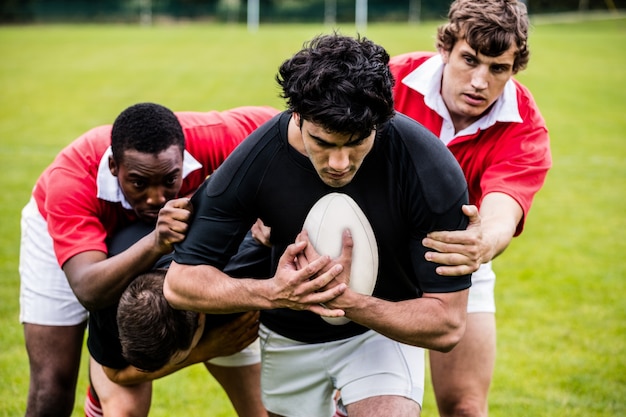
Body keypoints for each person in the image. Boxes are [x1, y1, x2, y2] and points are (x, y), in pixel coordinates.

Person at [163, 33, 474, 417]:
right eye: (323, 142)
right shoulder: (256, 162)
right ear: (297, 115)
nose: (340, 163)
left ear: (382, 120)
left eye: (356, 142)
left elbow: (448, 323)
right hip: (289, 337)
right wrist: (276, 293)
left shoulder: (429, 169)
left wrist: (351, 303)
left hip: (381, 331)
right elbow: (180, 283)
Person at [18, 101, 278, 416]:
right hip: (71, 246)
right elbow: (88, 289)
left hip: (163, 249)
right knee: (52, 386)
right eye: (139, 183)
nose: (156, 197)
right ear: (114, 167)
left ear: (184, 158)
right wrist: (156, 241)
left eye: (170, 180)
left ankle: (101, 393)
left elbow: (289, 128)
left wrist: (270, 209)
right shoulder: (71, 181)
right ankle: (101, 392)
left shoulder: (214, 137)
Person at [389, 1, 552, 416]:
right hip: (373, 255)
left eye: (498, 68)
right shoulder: (388, 82)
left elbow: (503, 209)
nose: (480, 81)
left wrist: (482, 243)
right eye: (469, 60)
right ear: (445, 48)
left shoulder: (524, 126)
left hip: (458, 258)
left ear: (514, 68)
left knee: (465, 406)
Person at [85, 220, 270, 417]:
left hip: (229, 309)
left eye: (178, 358)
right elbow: (115, 373)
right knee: (122, 411)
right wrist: (203, 351)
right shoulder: (107, 295)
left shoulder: (246, 266)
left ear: (200, 316)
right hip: (126, 250)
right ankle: (96, 401)